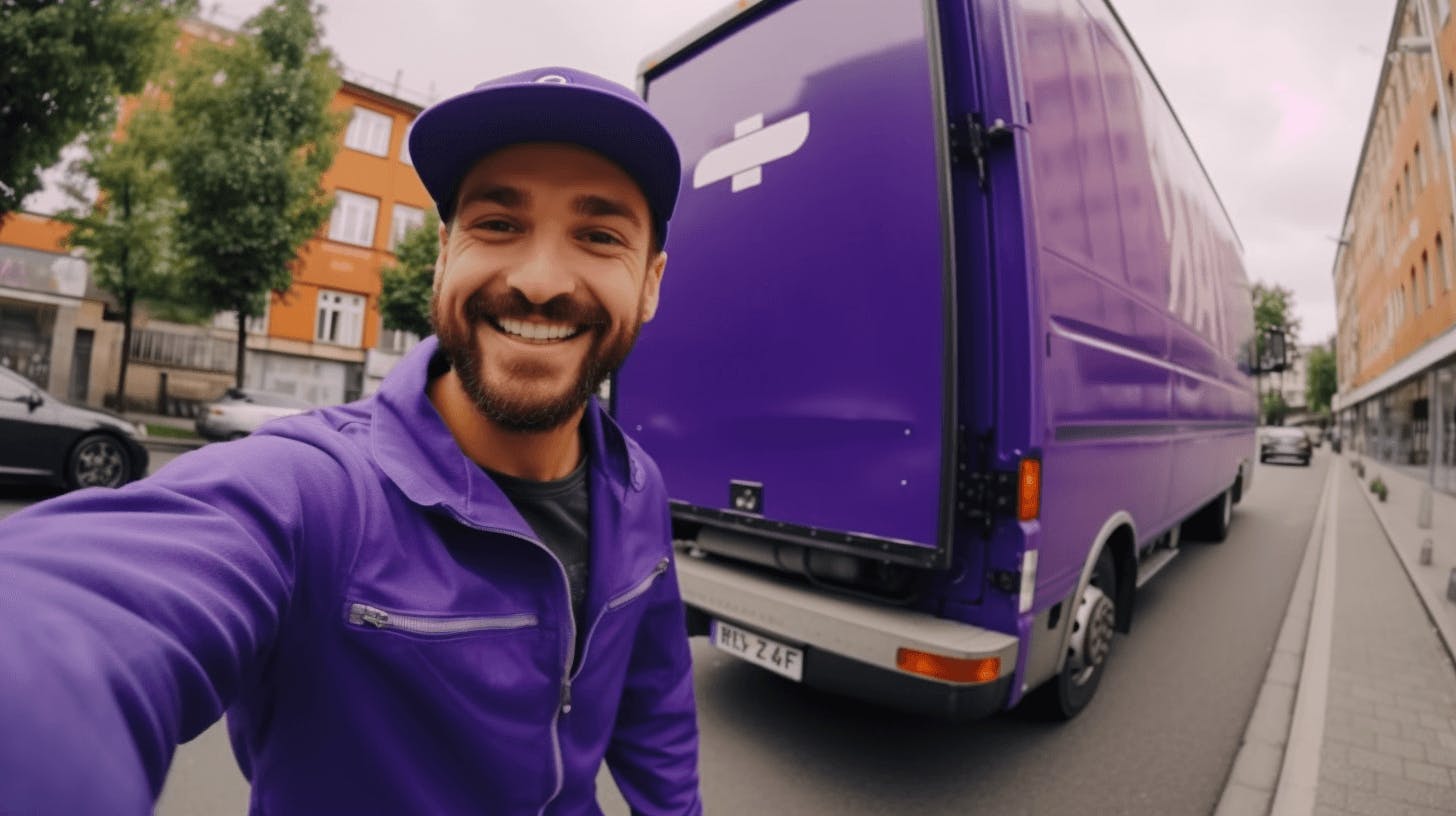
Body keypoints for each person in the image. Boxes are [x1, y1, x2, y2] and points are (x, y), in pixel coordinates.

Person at [0, 66, 701, 815]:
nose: (537, 280)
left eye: (598, 235)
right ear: (442, 257)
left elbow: (653, 699)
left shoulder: (636, 483)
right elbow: (73, 614)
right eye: (498, 224)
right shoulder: (314, 490)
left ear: (651, 283)